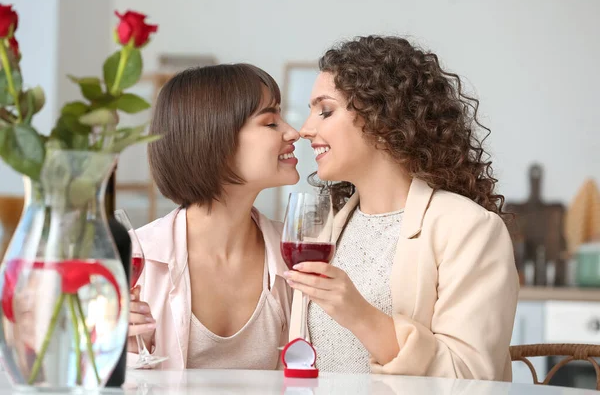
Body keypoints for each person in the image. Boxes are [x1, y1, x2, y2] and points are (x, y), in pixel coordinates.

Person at [284, 35, 519, 380]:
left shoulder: (470, 229)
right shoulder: (329, 229)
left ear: (381, 117)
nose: (305, 129)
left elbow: (470, 378)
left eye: (326, 111)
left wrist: (360, 315)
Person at [127, 63, 300, 369]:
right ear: (216, 139)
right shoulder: (132, 258)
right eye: (271, 123)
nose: (293, 132)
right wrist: (120, 352)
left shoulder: (297, 259)